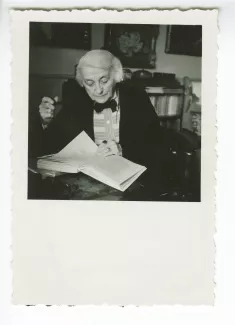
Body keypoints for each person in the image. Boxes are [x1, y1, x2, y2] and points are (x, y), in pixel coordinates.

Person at [29, 49, 165, 171]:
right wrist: (45, 121)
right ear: (82, 83)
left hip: (129, 176)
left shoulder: (137, 98)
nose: (98, 90)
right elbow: (46, 148)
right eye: (90, 83)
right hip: (89, 181)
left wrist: (123, 151)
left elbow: (156, 145)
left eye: (104, 80)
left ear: (116, 76)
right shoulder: (76, 100)